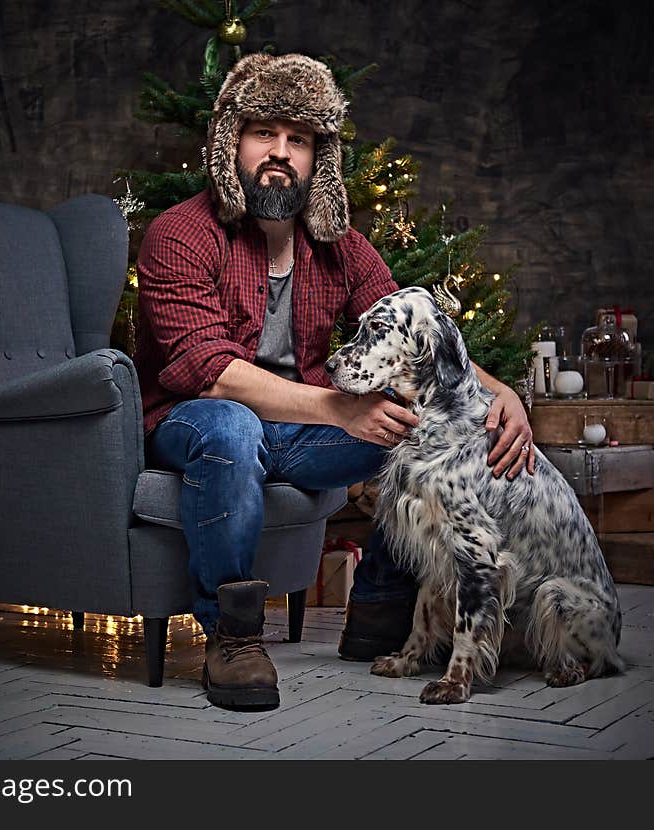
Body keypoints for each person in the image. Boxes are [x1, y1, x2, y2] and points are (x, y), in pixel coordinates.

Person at [134, 52, 535, 711]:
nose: (280, 153)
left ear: (318, 157)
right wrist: (339, 408)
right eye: (265, 132)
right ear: (230, 139)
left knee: (429, 420)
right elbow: (209, 372)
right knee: (233, 425)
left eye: (300, 140)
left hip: (304, 431)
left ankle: (380, 598)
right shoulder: (179, 233)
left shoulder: (338, 243)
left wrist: (502, 396)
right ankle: (232, 637)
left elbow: (421, 332)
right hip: (197, 419)